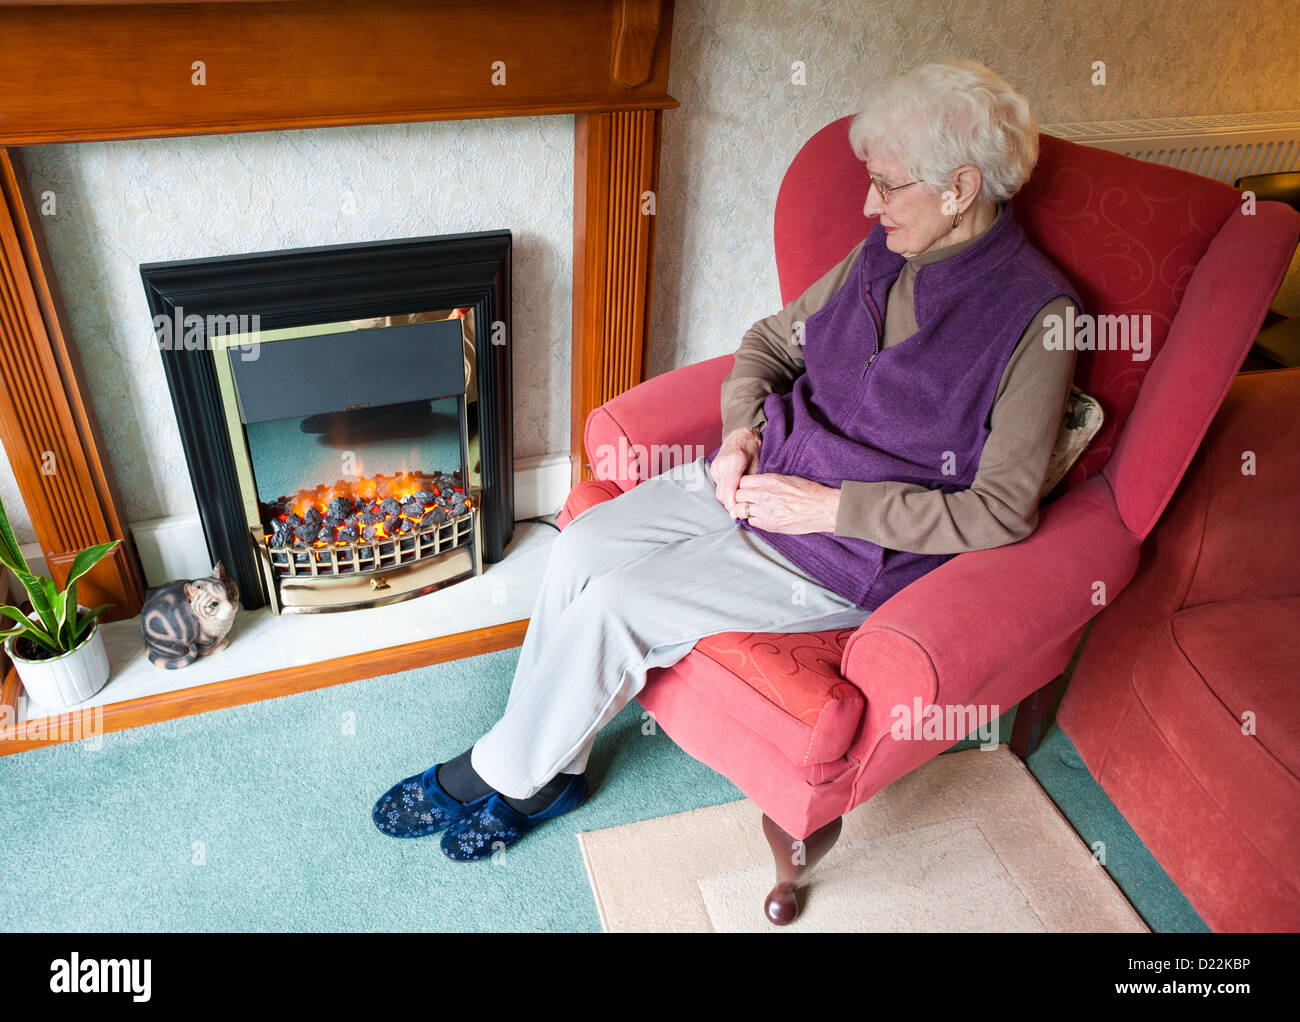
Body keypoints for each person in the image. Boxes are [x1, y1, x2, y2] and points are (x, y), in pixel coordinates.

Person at [372, 58, 1082, 860]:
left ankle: (494, 771)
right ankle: (555, 767)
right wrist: (741, 434)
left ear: (958, 188)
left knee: (617, 607)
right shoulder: (882, 255)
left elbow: (1001, 510)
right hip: (755, 472)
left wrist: (826, 509)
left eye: (887, 185)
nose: (867, 203)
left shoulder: (1035, 317)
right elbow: (770, 344)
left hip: (844, 553)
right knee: (578, 548)